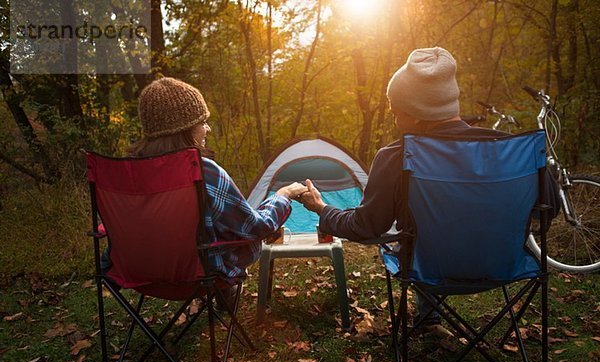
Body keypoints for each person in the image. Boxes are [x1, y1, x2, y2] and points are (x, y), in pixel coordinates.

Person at [300, 47, 558, 328]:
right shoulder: (515, 151)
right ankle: (431, 314)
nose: (395, 120)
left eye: (397, 112)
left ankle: (430, 314)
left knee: (411, 238)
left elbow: (365, 228)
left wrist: (322, 209)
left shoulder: (396, 157)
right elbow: (550, 209)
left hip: (428, 271)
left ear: (416, 113)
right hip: (506, 267)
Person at [103, 77, 307, 304]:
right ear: (185, 128)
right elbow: (255, 227)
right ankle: (225, 291)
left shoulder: (127, 171)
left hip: (136, 271)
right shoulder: (202, 171)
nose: (207, 128)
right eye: (202, 122)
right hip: (198, 275)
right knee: (234, 234)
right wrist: (282, 196)